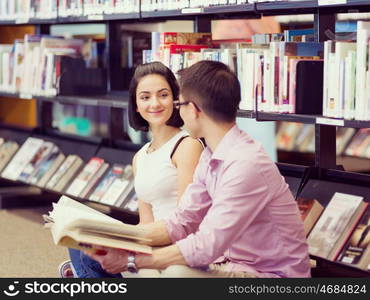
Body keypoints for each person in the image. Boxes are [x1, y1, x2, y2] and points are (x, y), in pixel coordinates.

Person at [85, 60, 311, 278]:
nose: (177, 112)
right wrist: (115, 239)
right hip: (230, 266)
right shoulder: (211, 155)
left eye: (178, 103)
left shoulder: (245, 164)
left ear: (192, 109)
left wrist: (133, 261)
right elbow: (181, 221)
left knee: (177, 275)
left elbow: (206, 245)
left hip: (271, 277)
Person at [62, 62, 204, 278]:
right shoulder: (140, 157)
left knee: (86, 262)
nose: (154, 103)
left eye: (163, 95)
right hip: (150, 241)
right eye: (145, 97)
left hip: (173, 247)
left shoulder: (187, 145)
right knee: (81, 245)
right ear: (136, 105)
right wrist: (113, 238)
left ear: (175, 99)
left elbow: (187, 223)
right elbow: (145, 221)